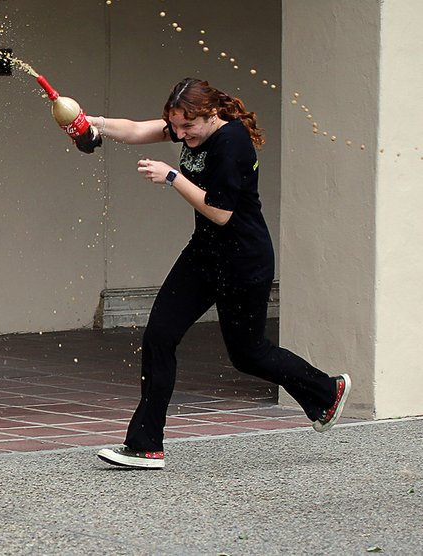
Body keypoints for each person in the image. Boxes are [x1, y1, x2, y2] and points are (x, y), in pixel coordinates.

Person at [91, 78, 351, 470]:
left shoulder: (233, 145)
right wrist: (91, 122)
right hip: (204, 255)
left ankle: (326, 390)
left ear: (210, 114)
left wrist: (172, 177)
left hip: (244, 260)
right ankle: (145, 445)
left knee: (248, 354)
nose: (179, 135)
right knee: (160, 336)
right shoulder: (187, 125)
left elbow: (220, 212)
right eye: (174, 127)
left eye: (186, 128)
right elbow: (137, 130)